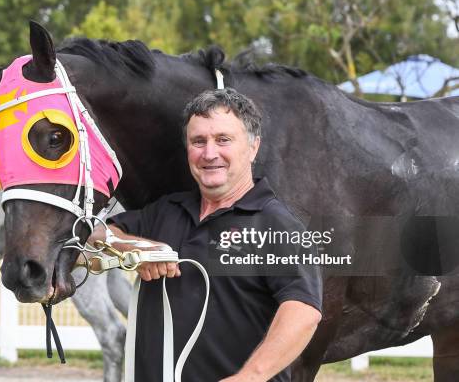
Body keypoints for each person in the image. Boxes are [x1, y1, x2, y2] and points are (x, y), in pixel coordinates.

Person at [88, 88, 322, 382]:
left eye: (223, 140)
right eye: (198, 141)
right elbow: (95, 234)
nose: (209, 153)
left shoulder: (277, 225)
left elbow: (303, 311)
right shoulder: (165, 211)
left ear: (253, 147)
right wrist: (135, 247)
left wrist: (249, 377)